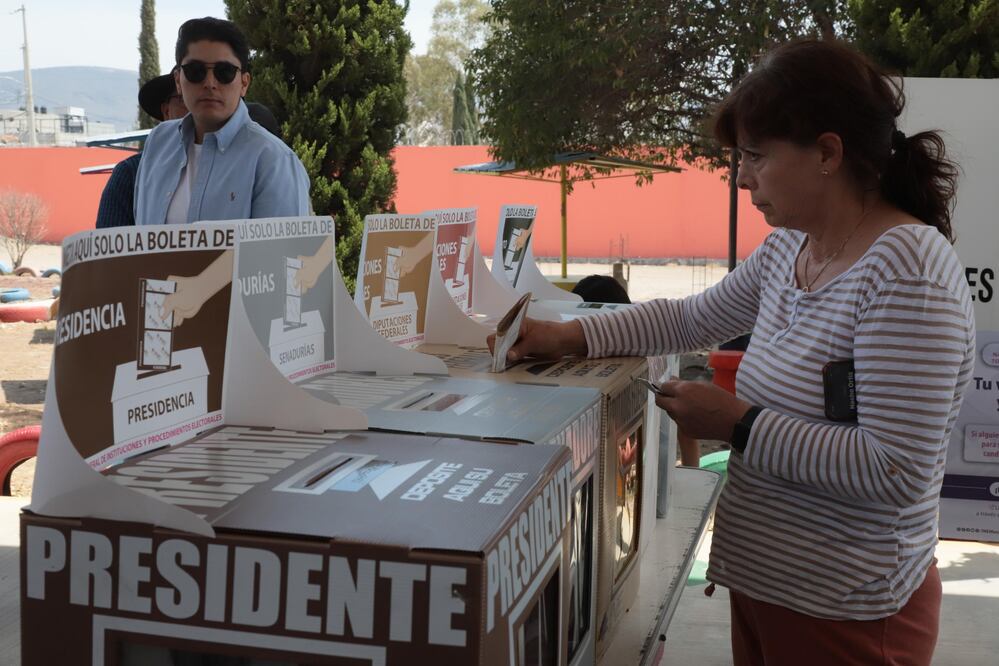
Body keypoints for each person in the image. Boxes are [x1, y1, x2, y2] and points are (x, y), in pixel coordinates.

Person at [491, 39, 974, 666]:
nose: (741, 176)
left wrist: (736, 424)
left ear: (828, 153)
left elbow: (894, 470)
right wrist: (567, 335)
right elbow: (691, 317)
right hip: (772, 587)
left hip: (848, 610)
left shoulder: (907, 270)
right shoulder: (791, 251)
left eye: (754, 156)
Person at [134, 17, 310, 225]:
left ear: (244, 83)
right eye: (195, 71)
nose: (210, 83)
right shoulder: (158, 143)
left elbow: (283, 254)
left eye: (224, 72)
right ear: (178, 80)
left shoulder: (273, 160)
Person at [95, 74, 188, 228]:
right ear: (166, 111)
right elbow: (111, 246)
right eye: (184, 98)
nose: (198, 106)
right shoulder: (130, 174)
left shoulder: (237, 167)